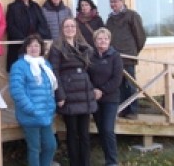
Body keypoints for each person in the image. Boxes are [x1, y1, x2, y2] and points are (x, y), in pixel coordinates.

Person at [48, 17, 97, 166]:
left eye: (72, 26)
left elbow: (91, 70)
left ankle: (85, 163)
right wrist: (60, 94)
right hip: (68, 93)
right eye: (67, 26)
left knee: (84, 134)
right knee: (72, 133)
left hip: (84, 92)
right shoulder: (57, 47)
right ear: (62, 29)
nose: (70, 29)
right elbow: (54, 72)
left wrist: (94, 88)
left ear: (76, 29)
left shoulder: (83, 46)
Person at [9, 34, 58, 166]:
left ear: (41, 48)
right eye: (30, 46)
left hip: (45, 114)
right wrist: (31, 109)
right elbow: (17, 91)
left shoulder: (45, 65)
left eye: (36, 45)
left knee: (50, 145)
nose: (33, 48)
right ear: (25, 48)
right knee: (35, 148)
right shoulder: (19, 65)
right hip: (30, 115)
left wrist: (51, 107)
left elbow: (50, 89)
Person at [106, 0, 146, 120]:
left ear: (122, 2)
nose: (113, 4)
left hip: (128, 57)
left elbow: (140, 36)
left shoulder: (132, 16)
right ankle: (122, 109)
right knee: (119, 84)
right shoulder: (110, 18)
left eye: (115, 2)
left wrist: (133, 52)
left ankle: (133, 111)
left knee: (130, 84)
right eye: (111, 2)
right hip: (114, 57)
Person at [88, 27, 123, 166]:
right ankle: (106, 157)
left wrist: (102, 90)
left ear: (109, 40)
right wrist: (93, 90)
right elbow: (86, 75)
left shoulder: (115, 56)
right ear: (95, 41)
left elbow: (117, 79)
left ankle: (112, 161)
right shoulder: (90, 56)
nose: (102, 41)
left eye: (105, 38)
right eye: (99, 39)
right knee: (101, 130)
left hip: (110, 99)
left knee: (108, 129)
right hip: (95, 99)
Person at [6, 0, 51, 71]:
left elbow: (43, 24)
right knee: (19, 70)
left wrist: (35, 39)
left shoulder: (36, 7)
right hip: (18, 45)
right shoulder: (12, 7)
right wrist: (25, 40)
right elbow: (10, 26)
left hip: (34, 45)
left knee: (35, 71)